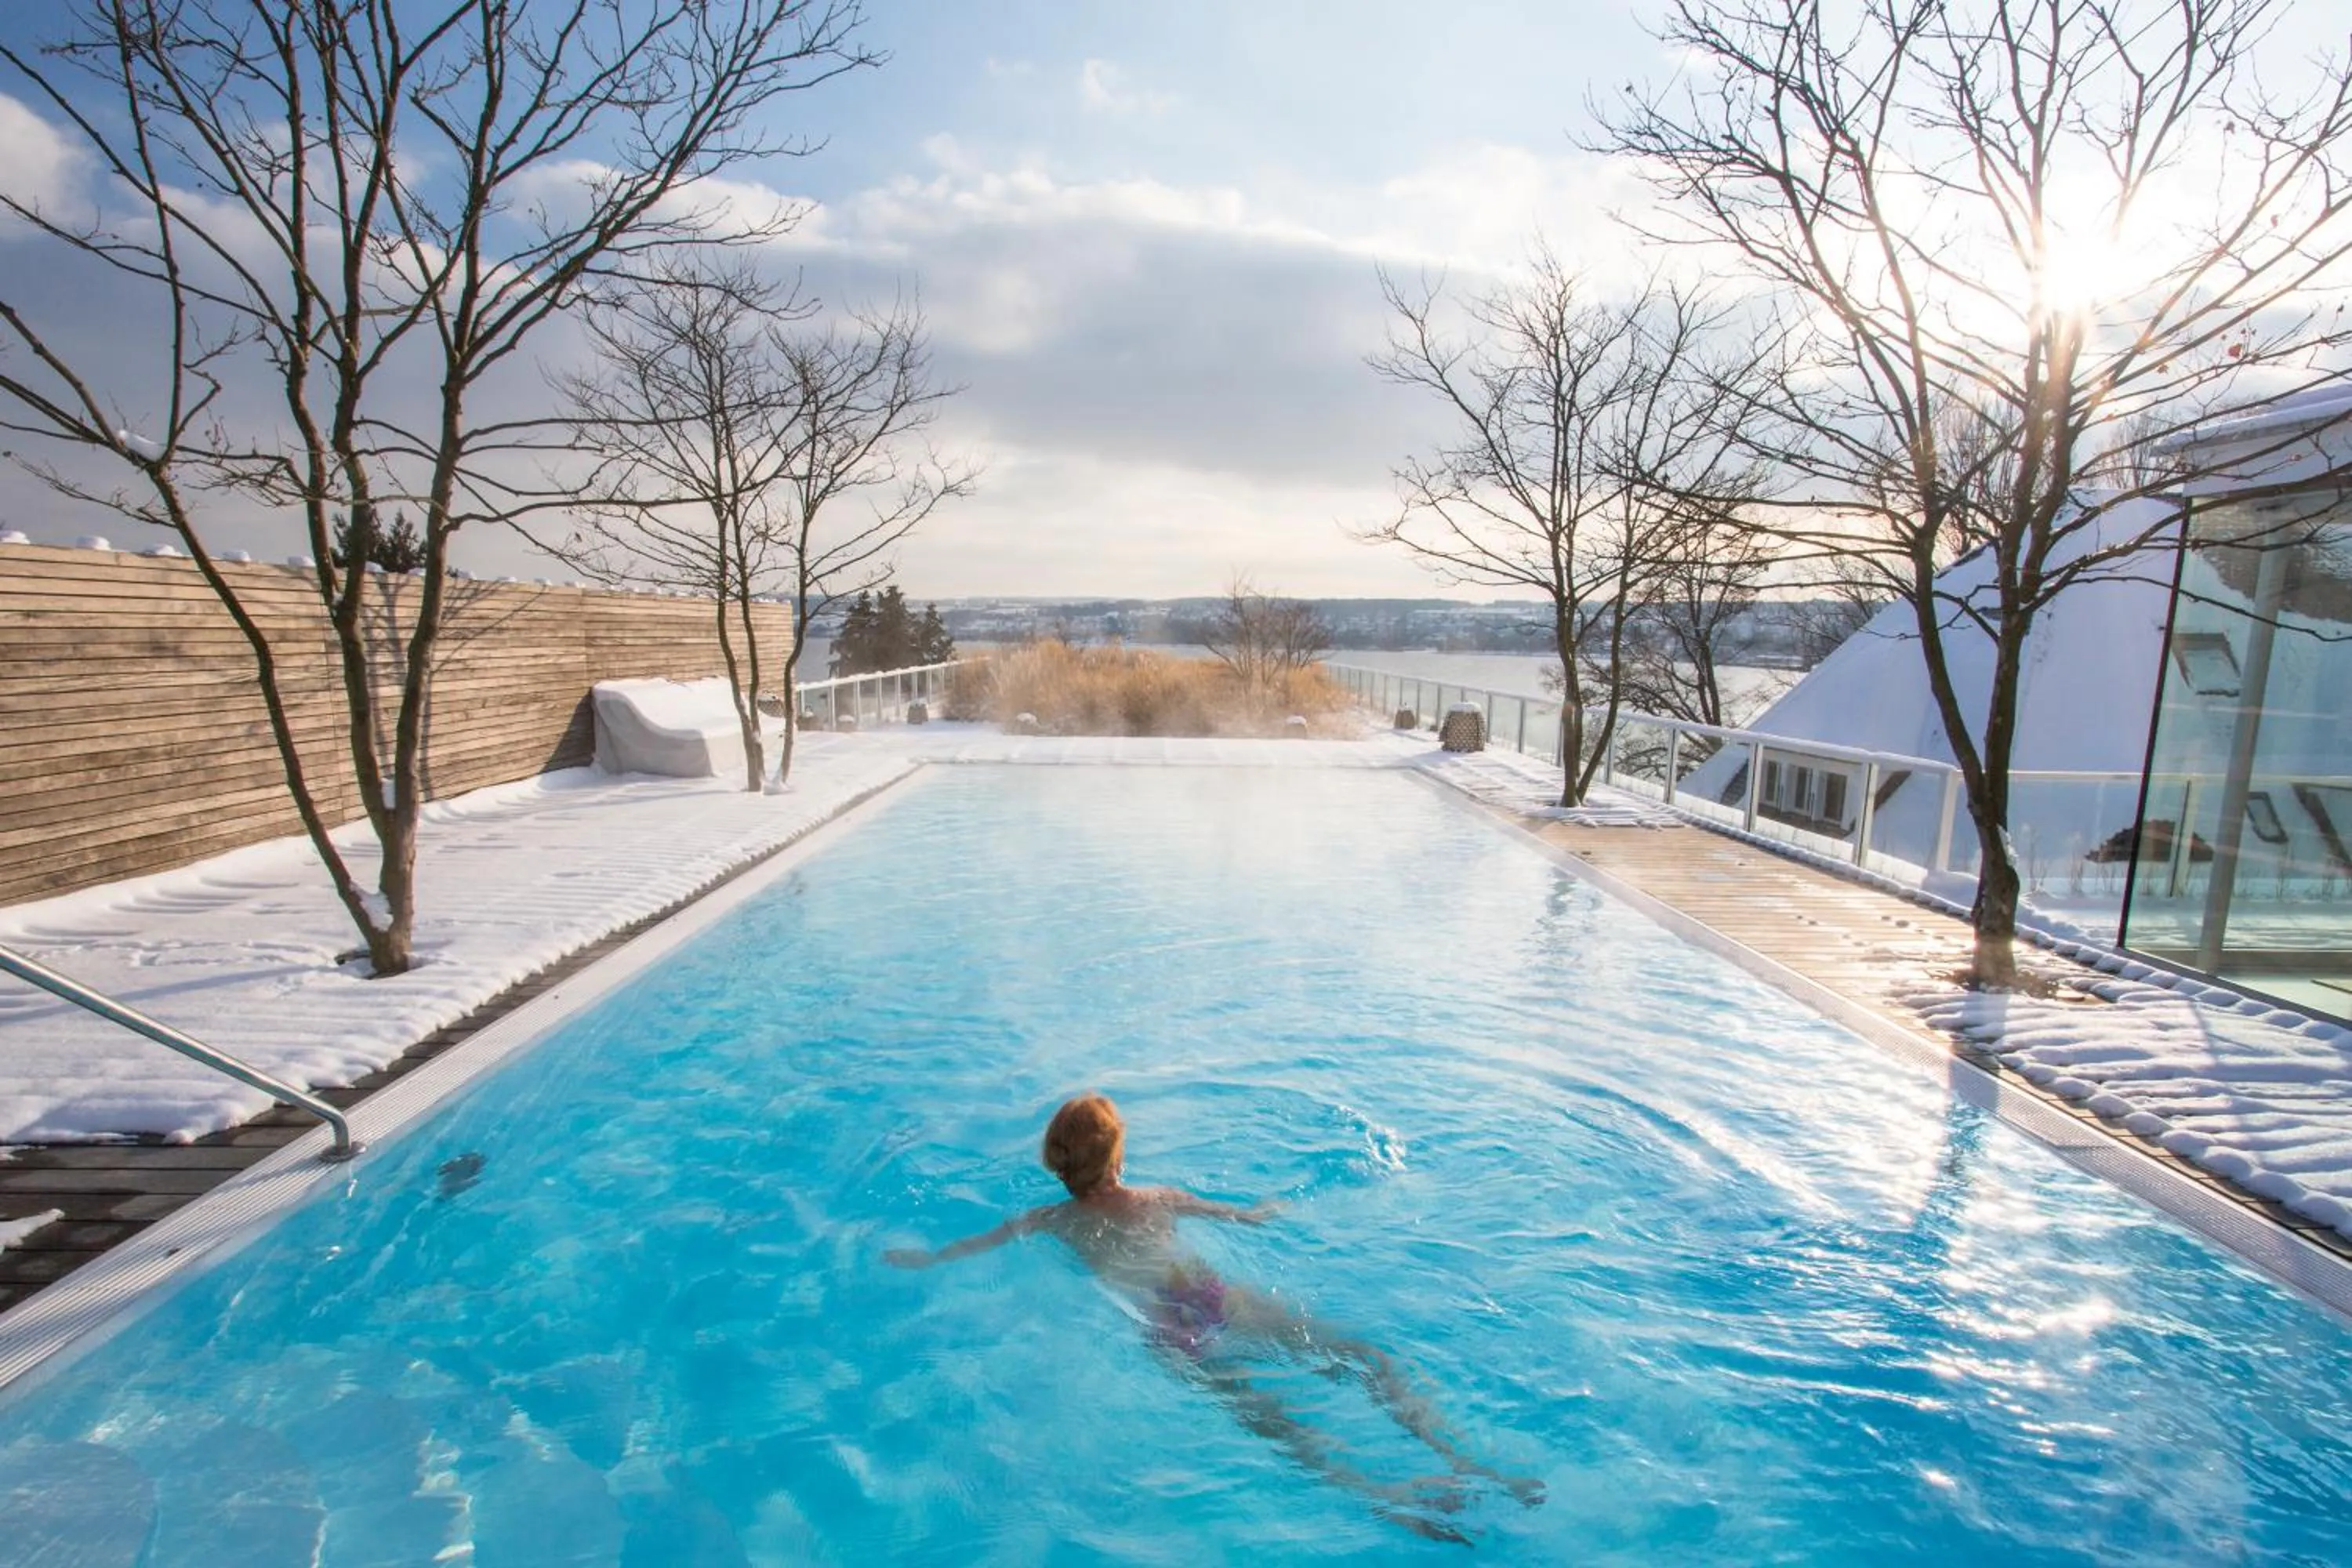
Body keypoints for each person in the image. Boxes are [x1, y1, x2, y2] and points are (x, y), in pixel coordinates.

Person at [885, 1091, 1543, 1540]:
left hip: (1169, 1333)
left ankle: (1390, 1499)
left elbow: (975, 1246)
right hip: (1209, 1296)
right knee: (1360, 1359)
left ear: (1059, 1168)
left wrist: (924, 1260)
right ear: (1119, 1158)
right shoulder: (1158, 1198)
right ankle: (1475, 1465)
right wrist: (1270, 1207)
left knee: (1288, 1431)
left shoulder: (1051, 1221)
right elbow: (1242, 1216)